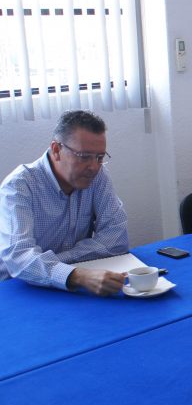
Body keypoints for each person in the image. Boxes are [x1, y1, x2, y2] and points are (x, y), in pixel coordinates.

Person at [0, 110, 129, 296]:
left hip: (70, 283)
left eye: (100, 157)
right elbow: (20, 256)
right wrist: (77, 275)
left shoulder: (98, 175)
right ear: (56, 150)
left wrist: (61, 265)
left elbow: (116, 238)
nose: (93, 167)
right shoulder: (19, 186)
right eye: (84, 156)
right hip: (17, 289)